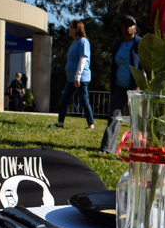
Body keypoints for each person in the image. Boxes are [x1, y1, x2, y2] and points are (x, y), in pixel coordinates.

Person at [100, 15, 142, 152]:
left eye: (130, 25)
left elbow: (144, 65)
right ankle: (107, 148)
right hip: (119, 84)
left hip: (135, 86)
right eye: (124, 25)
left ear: (135, 28)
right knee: (114, 116)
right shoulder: (117, 45)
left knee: (137, 119)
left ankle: (138, 148)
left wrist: (139, 84)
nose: (127, 27)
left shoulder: (140, 43)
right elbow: (114, 65)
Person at [49, 20, 94, 129]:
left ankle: (91, 125)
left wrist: (77, 76)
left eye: (70, 27)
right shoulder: (74, 42)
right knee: (64, 99)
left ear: (76, 29)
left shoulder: (83, 41)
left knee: (83, 100)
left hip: (80, 78)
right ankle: (60, 123)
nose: (69, 29)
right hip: (71, 78)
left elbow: (83, 59)